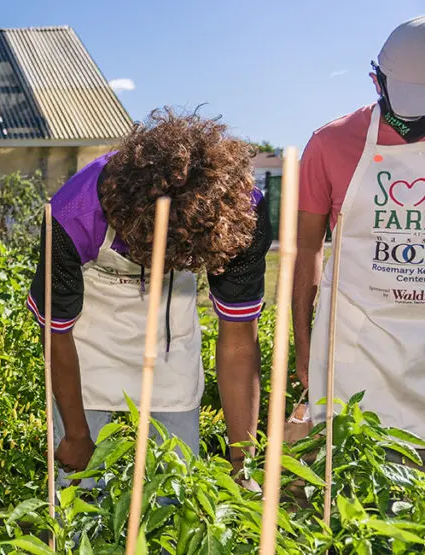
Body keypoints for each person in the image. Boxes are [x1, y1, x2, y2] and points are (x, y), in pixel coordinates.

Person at [27, 109, 271, 487]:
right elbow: (57, 332)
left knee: (178, 493)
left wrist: (243, 461)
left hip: (170, 346)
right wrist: (76, 435)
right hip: (88, 343)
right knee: (76, 499)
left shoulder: (239, 213)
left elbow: (239, 338)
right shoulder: (71, 213)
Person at [294, 16, 425, 451]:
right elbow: (307, 248)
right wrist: (303, 343)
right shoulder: (331, 143)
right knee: (352, 476)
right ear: (376, 81)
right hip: (356, 345)